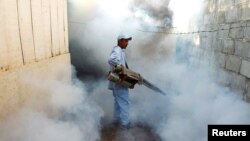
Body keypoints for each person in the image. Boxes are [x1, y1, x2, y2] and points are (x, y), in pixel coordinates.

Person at [108, 33, 132, 129]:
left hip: (116, 82)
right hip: (119, 82)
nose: (127, 43)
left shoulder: (120, 50)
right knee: (125, 102)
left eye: (127, 41)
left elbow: (118, 63)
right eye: (125, 41)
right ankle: (125, 124)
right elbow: (111, 60)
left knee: (118, 102)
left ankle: (116, 120)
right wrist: (121, 72)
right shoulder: (117, 50)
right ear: (120, 41)